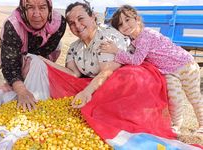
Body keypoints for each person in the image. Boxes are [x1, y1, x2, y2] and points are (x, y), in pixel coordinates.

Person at [39, 1, 175, 139]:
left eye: (81, 19)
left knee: (129, 76)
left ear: (92, 17)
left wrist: (86, 93)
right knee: (73, 88)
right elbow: (72, 75)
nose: (77, 26)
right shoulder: (74, 47)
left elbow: (108, 71)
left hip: (118, 82)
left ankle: (112, 117)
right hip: (96, 83)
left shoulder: (106, 36)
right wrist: (44, 61)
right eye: (72, 23)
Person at [100, 5, 203, 133]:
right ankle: (176, 126)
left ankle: (202, 124)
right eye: (120, 24)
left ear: (137, 19)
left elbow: (136, 60)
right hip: (168, 72)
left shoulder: (146, 34)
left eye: (127, 20)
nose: (125, 25)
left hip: (185, 65)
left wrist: (116, 51)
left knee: (194, 97)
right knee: (174, 98)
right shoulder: (133, 42)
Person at [0, 0, 66, 111]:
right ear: (23, 9)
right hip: (18, 60)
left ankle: (40, 97)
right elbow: (10, 64)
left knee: (37, 63)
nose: (36, 14)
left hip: (41, 60)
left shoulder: (59, 23)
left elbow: (44, 54)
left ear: (50, 9)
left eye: (42, 7)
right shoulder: (13, 26)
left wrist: (34, 70)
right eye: (30, 7)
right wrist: (21, 90)